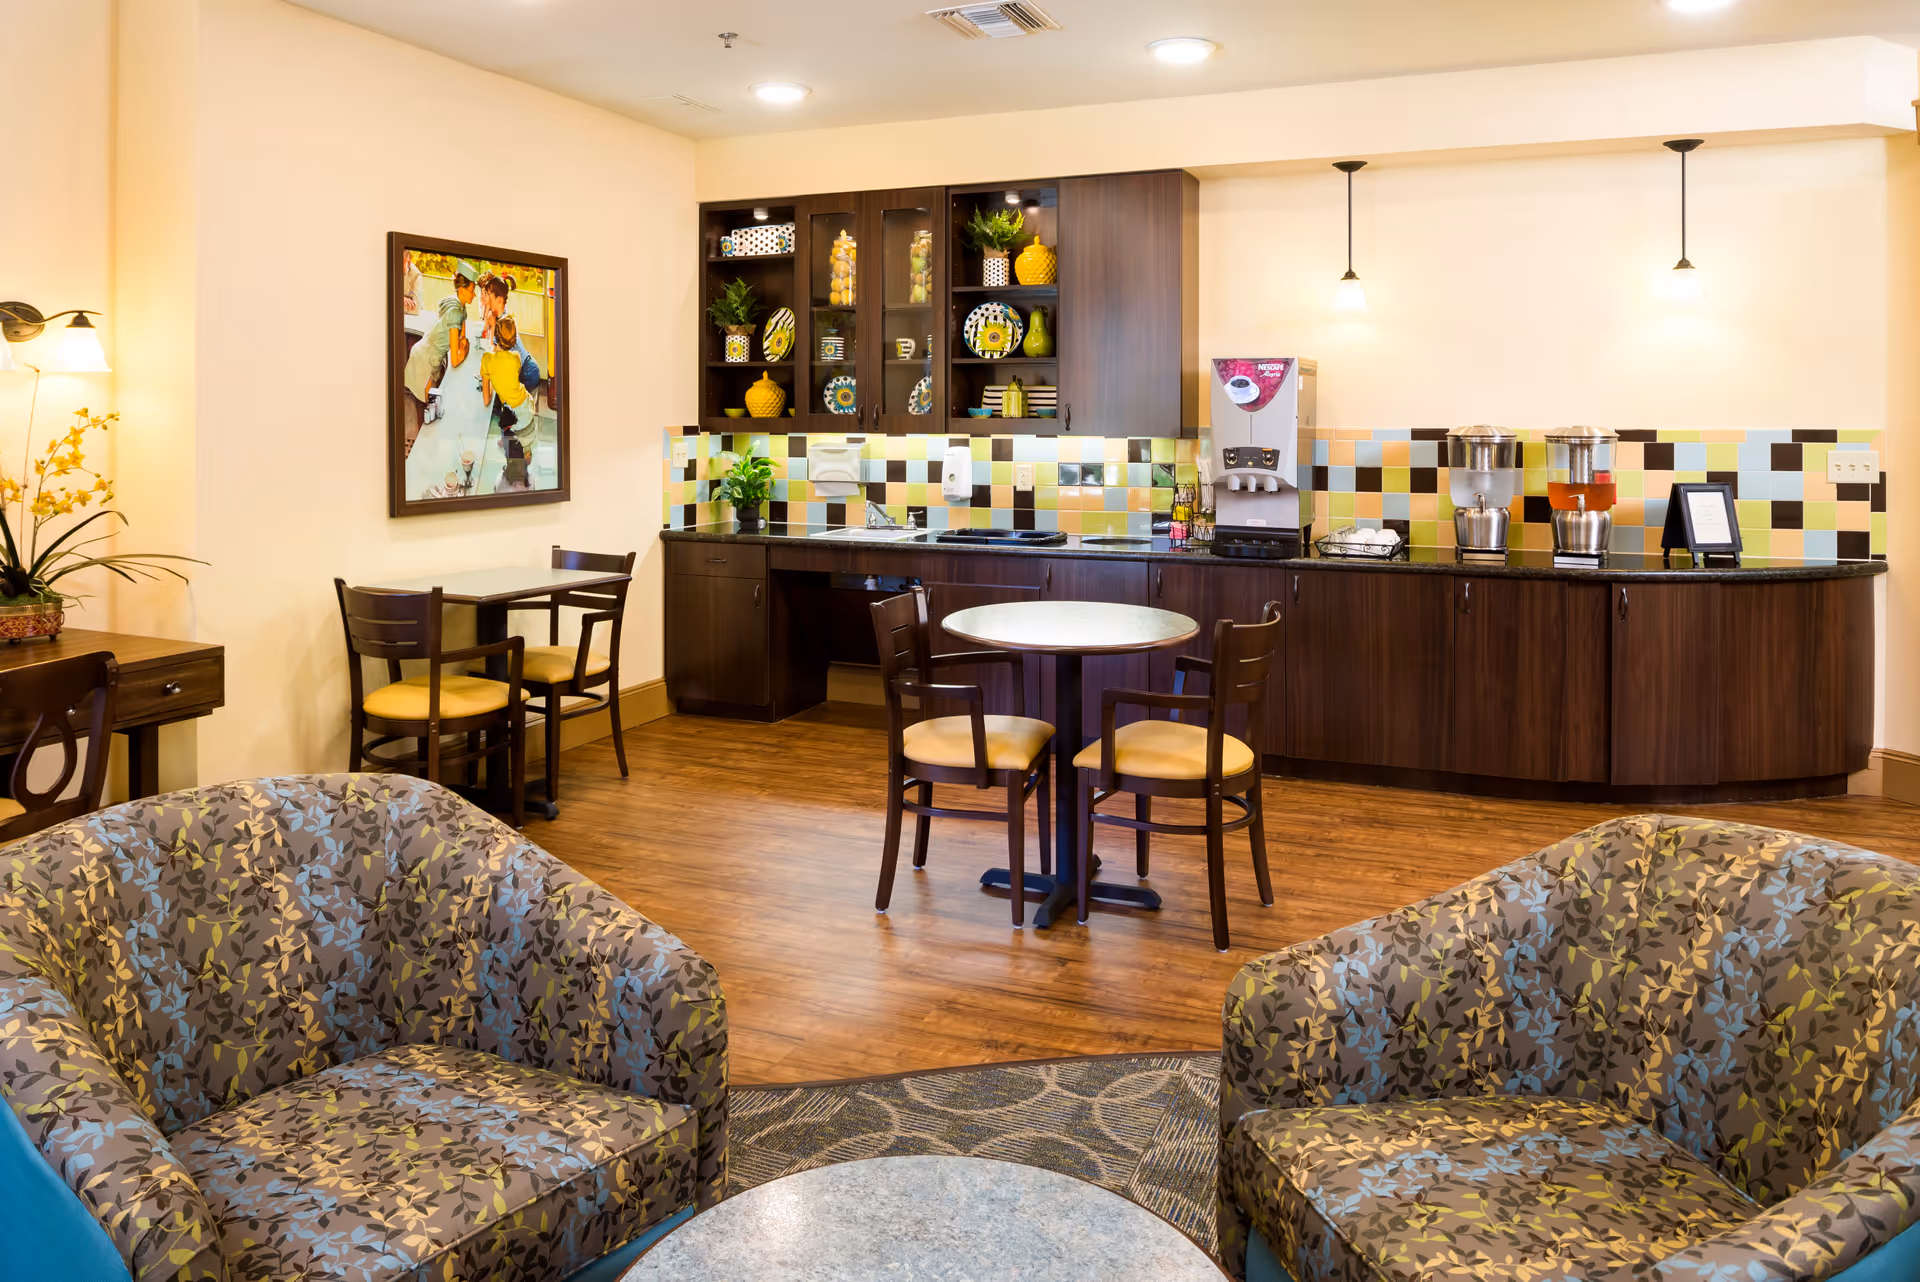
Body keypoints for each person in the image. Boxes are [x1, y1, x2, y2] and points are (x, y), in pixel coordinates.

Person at [401, 258, 478, 439]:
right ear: (462, 289)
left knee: (429, 412)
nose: (474, 295)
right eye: (472, 290)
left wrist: (462, 346)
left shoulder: (459, 305)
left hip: (430, 356)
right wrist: (463, 349)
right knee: (425, 415)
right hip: (424, 361)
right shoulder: (454, 311)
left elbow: (462, 339)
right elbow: (457, 356)